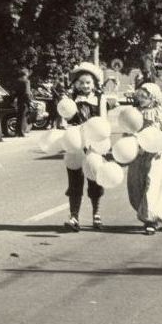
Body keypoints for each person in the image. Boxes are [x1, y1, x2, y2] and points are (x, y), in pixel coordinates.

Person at [63, 63, 106, 232]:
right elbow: (66, 118)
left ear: (94, 83)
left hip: (94, 142)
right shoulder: (71, 99)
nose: (85, 86)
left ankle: (97, 214)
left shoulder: (100, 98)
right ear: (75, 84)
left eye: (88, 82)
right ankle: (74, 216)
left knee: (94, 177)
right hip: (75, 141)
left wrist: (99, 142)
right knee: (74, 178)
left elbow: (103, 122)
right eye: (81, 82)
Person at [126, 83, 162, 235]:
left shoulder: (160, 112)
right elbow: (128, 128)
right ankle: (145, 213)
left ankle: (151, 220)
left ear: (153, 98)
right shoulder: (135, 112)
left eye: (145, 96)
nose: (141, 99)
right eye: (139, 96)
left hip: (155, 153)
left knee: (152, 184)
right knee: (136, 184)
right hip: (137, 152)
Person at [15, 68, 33, 137]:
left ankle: (17, 132)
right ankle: (22, 132)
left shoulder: (18, 81)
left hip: (19, 100)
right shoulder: (26, 81)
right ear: (26, 74)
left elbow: (16, 92)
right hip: (25, 101)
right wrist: (29, 101)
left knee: (19, 117)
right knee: (23, 117)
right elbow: (27, 93)